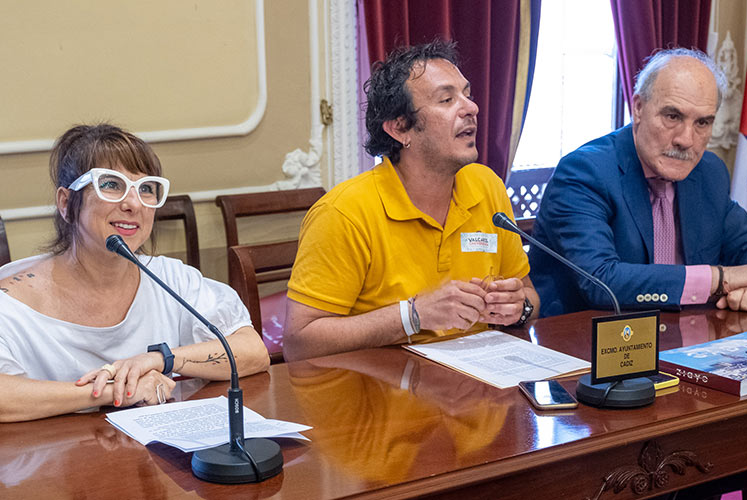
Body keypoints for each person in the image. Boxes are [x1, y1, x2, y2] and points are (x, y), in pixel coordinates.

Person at [284, 40, 538, 361]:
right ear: (400, 127)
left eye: (467, 95)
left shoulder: (487, 185)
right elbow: (299, 341)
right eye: (447, 99)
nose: (471, 108)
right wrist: (413, 316)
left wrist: (519, 308)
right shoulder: (344, 212)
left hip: (480, 384)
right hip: (385, 392)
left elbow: (529, 296)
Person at [0, 124, 269, 422]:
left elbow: (253, 351)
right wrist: (116, 390)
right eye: (111, 184)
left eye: (145, 189)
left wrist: (161, 359)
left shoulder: (171, 279)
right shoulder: (11, 301)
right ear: (66, 203)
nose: (132, 204)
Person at [531, 48, 747, 318]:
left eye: (702, 122)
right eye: (673, 116)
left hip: (687, 340)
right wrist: (722, 279)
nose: (686, 139)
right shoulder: (585, 172)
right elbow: (601, 281)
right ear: (639, 108)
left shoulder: (708, 172)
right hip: (587, 342)